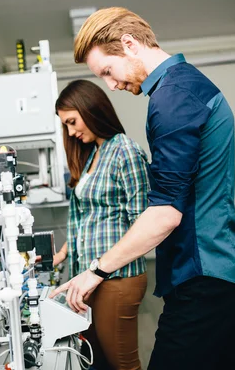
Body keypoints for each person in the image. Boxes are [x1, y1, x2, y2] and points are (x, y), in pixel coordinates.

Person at [50, 7, 235, 370]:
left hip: (203, 270)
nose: (112, 85)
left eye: (108, 72)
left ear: (129, 45)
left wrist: (96, 271)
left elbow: (164, 214)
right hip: (216, 264)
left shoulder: (172, 97)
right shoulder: (185, 86)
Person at [53, 79, 150, 370]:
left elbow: (142, 222)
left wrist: (100, 268)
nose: (70, 132)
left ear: (90, 108)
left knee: (122, 365)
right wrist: (61, 254)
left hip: (117, 278)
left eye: (72, 122)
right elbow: (90, 217)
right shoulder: (96, 152)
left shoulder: (125, 152)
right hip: (90, 276)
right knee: (97, 363)